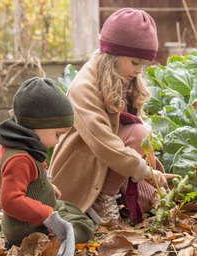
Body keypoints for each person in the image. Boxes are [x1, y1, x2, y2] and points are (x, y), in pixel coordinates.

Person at [48, 8, 178, 225]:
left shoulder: (124, 78)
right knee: (138, 132)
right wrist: (143, 171)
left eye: (143, 65)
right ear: (113, 54)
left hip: (111, 160)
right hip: (82, 163)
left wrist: (150, 171)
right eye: (135, 62)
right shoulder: (84, 86)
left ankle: (112, 192)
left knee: (147, 204)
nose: (139, 71)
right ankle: (103, 199)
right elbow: (102, 141)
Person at [0, 77, 94, 255]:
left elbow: (27, 180)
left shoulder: (18, 144)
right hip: (25, 225)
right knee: (83, 226)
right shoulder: (19, 158)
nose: (58, 141)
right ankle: (42, 242)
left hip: (34, 214)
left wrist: (47, 187)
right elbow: (10, 200)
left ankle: (51, 227)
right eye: (57, 134)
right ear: (35, 128)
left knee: (71, 209)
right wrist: (47, 216)